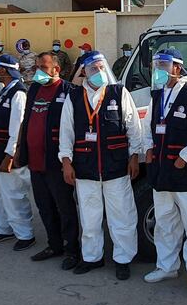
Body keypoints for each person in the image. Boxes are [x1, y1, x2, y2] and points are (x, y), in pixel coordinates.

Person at [58, 51, 142, 280]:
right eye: (93, 68)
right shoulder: (74, 96)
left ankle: (123, 259)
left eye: (101, 67)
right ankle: (92, 258)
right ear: (83, 71)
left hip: (116, 167)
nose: (98, 72)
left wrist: (135, 155)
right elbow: (66, 132)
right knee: (90, 217)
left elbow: (133, 126)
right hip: (85, 168)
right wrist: (66, 162)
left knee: (122, 216)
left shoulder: (118, 92)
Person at [141, 48, 187, 300]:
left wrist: (185, 157)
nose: (158, 69)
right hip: (161, 172)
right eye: (155, 65)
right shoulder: (156, 95)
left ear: (177, 68)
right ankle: (167, 266)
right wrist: (147, 148)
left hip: (186, 174)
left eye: (163, 64)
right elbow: (148, 127)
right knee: (164, 223)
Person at [14, 52, 80, 270]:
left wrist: (69, 161)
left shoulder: (69, 91)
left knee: (65, 208)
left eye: (43, 66)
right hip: (35, 162)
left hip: (56, 162)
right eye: (37, 67)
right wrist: (19, 149)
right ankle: (54, 245)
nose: (38, 71)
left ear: (56, 69)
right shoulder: (34, 89)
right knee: (44, 207)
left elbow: (74, 128)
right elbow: (27, 120)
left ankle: (72, 250)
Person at [0, 55, 36, 251]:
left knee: (14, 195)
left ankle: (25, 234)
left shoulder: (18, 94)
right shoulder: (5, 91)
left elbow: (18, 127)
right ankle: (4, 228)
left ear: (3, 71)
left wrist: (10, 155)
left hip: (10, 155)